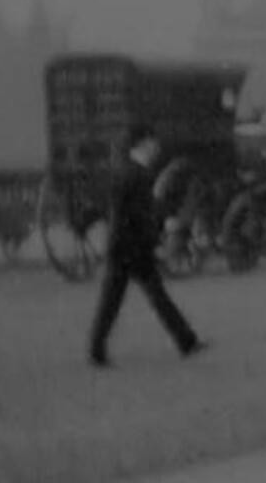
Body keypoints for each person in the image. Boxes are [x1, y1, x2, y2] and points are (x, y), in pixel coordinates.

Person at [89, 123, 205, 367]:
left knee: (115, 300)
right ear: (142, 144)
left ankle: (97, 348)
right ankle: (186, 341)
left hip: (121, 245)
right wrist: (157, 236)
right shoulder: (140, 175)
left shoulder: (123, 170)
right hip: (134, 247)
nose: (157, 147)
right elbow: (143, 214)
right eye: (153, 142)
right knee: (154, 297)